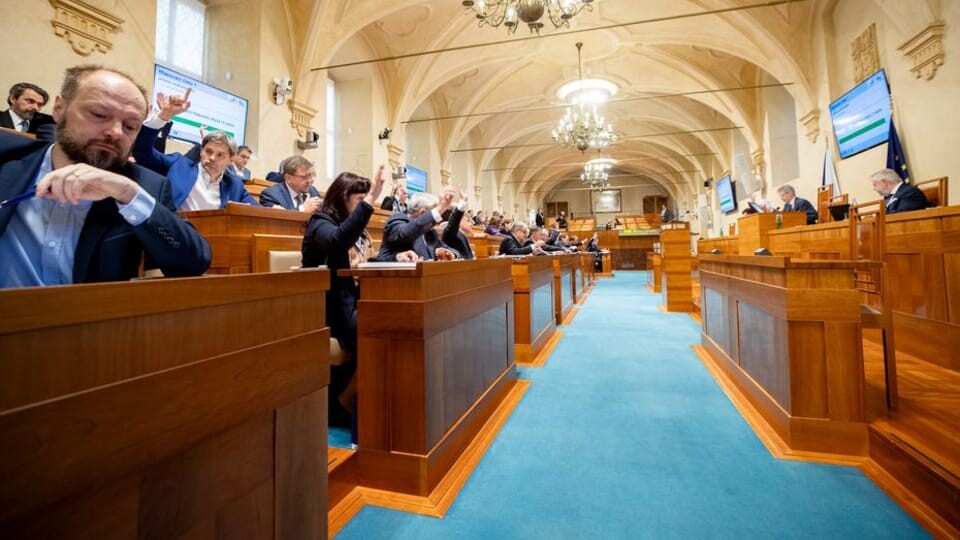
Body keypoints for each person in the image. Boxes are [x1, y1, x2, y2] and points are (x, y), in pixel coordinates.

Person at [0, 65, 211, 288]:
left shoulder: (145, 186)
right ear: (59, 108)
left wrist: (128, 194)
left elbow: (193, 263)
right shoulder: (6, 156)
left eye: (130, 125)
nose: (116, 132)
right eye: (99, 115)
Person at [301, 165, 401, 428]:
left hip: (353, 302)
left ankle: (368, 398)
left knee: (400, 324)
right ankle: (347, 399)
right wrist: (371, 200)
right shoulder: (320, 222)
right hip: (329, 307)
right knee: (387, 330)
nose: (363, 204)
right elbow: (337, 242)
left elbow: (367, 260)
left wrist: (397, 257)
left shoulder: (356, 229)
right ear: (342, 196)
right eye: (359, 199)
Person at [132, 88, 257, 211]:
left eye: (220, 155)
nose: (212, 158)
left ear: (231, 159)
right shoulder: (178, 165)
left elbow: (259, 211)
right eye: (208, 151)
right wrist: (163, 116)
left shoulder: (235, 185)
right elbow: (141, 151)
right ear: (201, 151)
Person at [377, 188, 460, 261]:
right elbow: (406, 234)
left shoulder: (431, 233)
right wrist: (441, 207)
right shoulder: (396, 220)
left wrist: (451, 254)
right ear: (422, 213)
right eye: (436, 211)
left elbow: (450, 250)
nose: (438, 220)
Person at [441, 190, 475, 259]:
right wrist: (463, 202)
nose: (469, 223)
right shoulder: (448, 231)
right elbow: (453, 224)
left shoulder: (460, 233)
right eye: (465, 219)